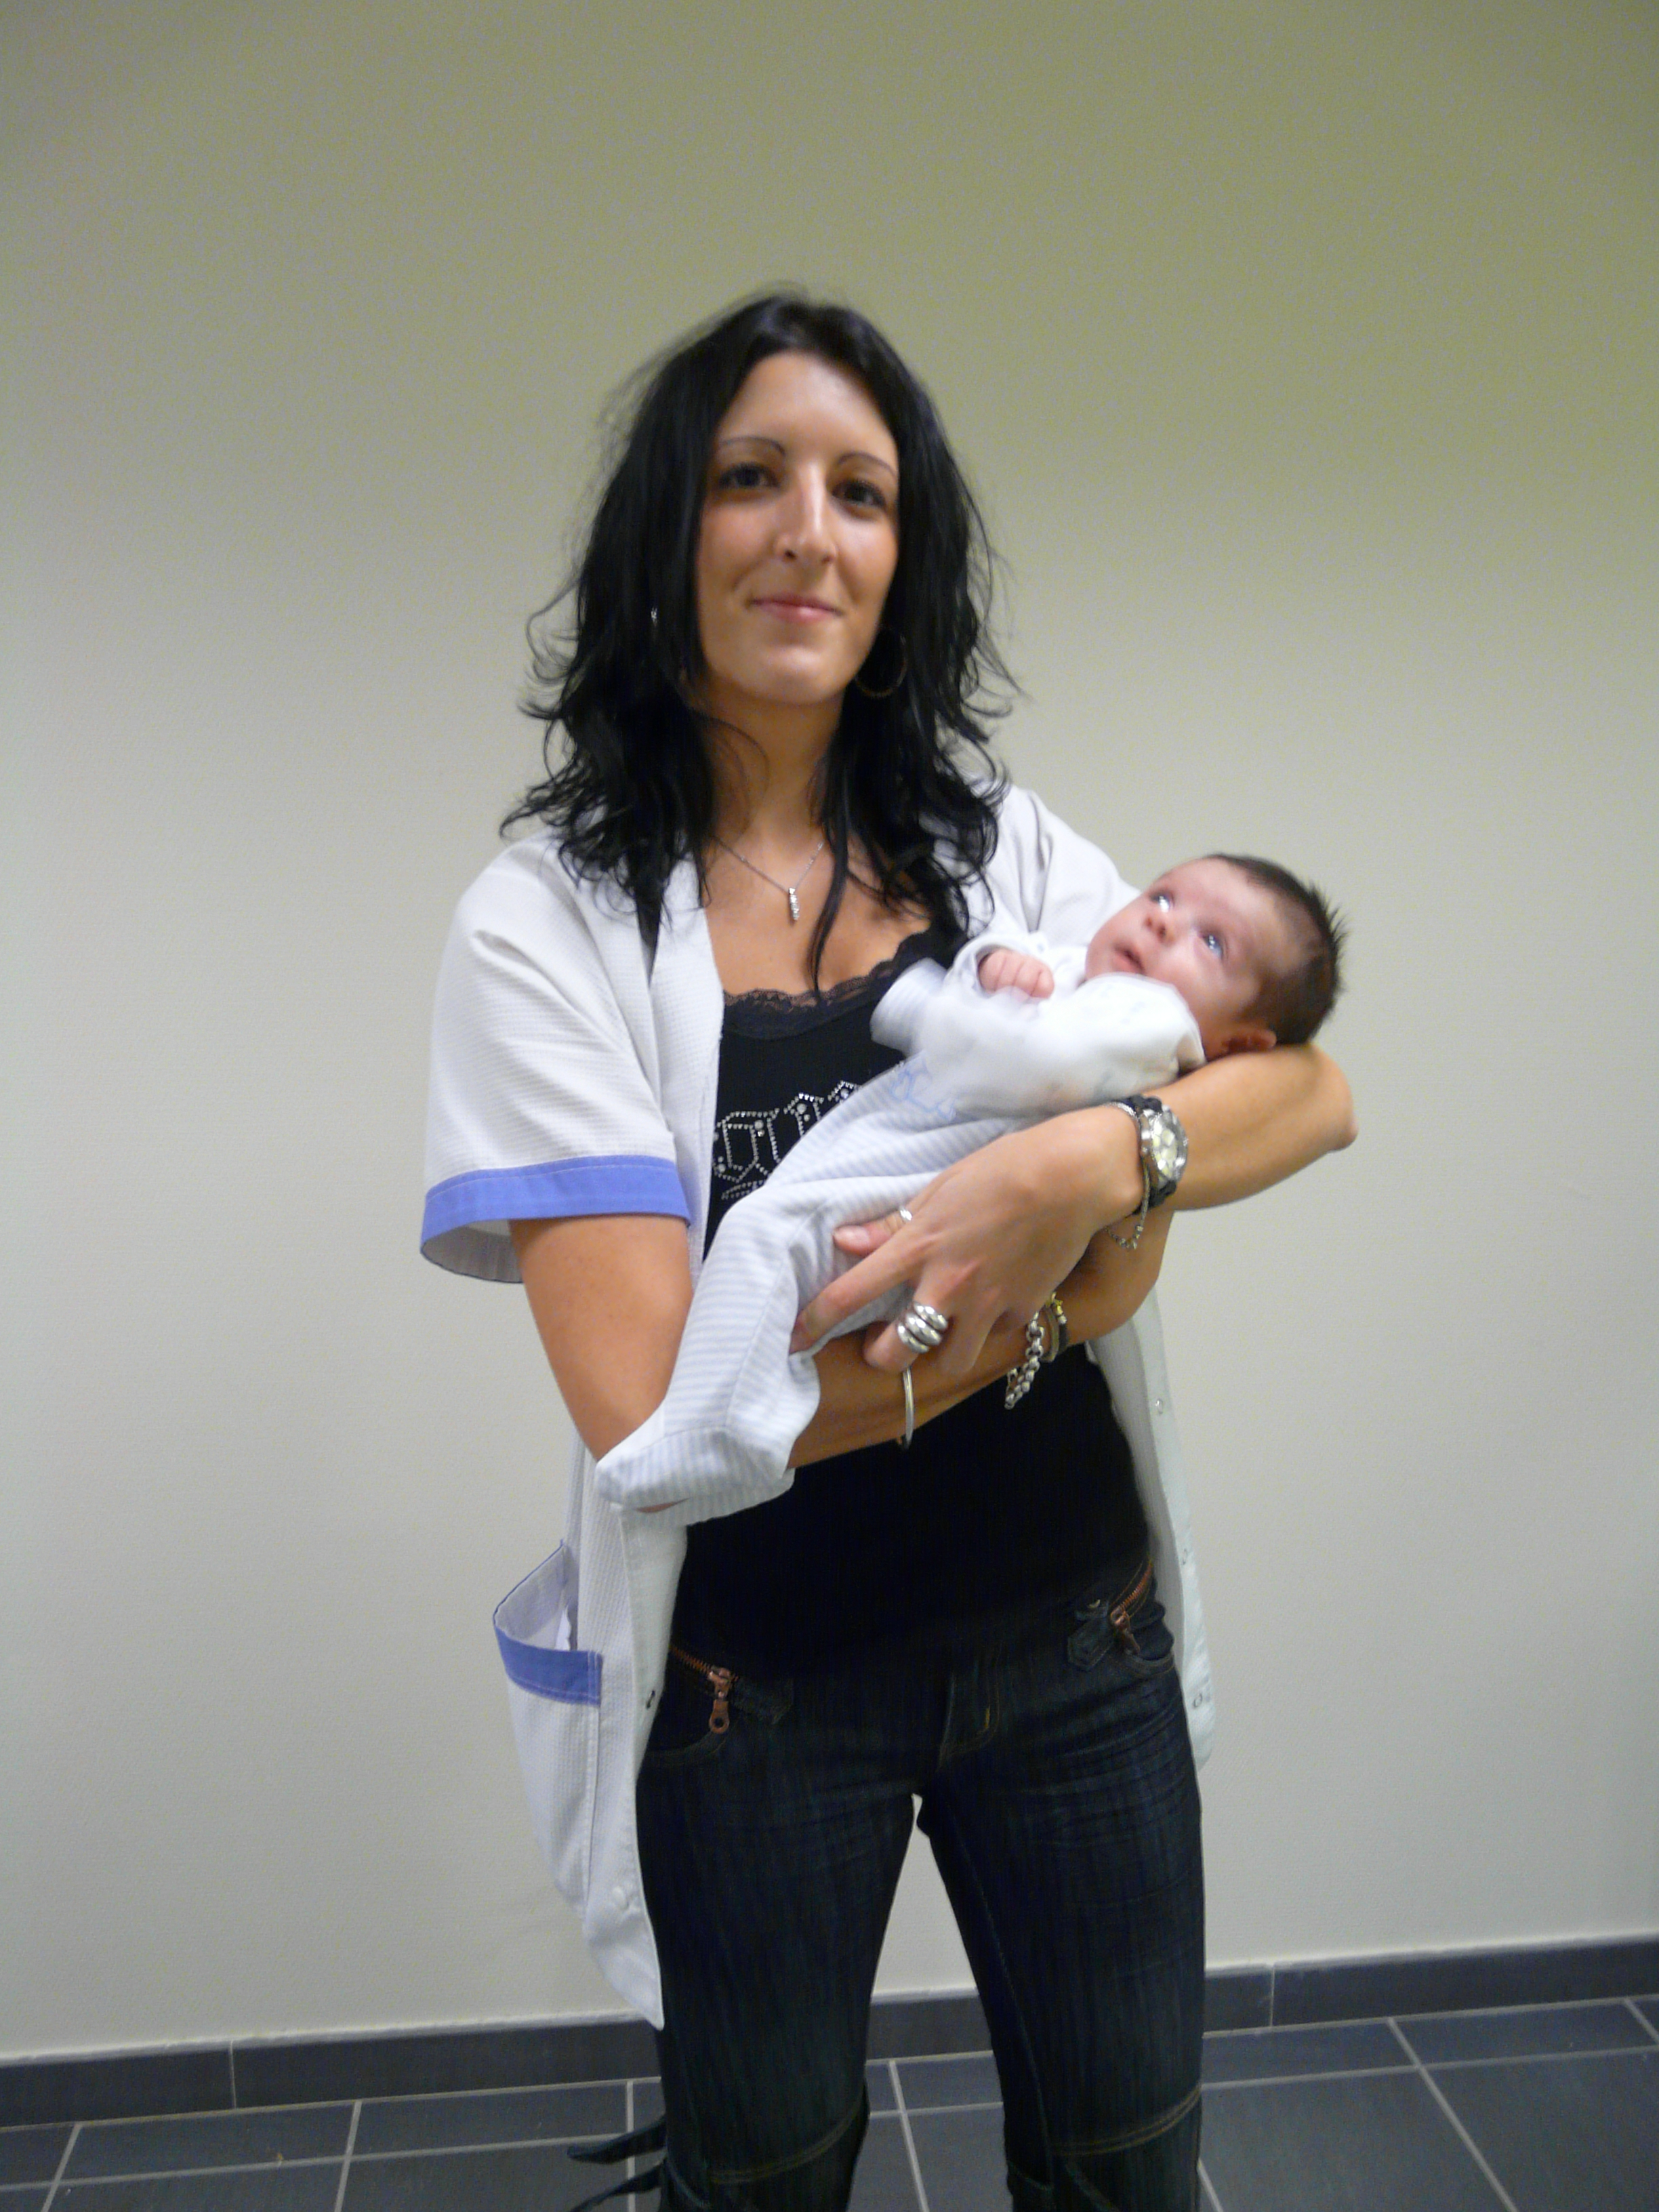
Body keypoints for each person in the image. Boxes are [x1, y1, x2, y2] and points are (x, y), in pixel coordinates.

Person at [421, 293, 1355, 2212]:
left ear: (901, 556)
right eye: (752, 478)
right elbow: (653, 1411)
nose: (809, 532)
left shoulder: (1001, 848)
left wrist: (1083, 1159)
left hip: (1078, 1636)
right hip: (757, 1689)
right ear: (669, 527)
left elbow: (1307, 1088)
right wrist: (1069, 1283)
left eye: (860, 491)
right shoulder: (546, 926)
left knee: (1124, 2165)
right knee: (763, 2175)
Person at [596, 854, 1345, 1511]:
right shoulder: (1086, 969)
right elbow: (1015, 958)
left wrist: (931, 1008)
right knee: (768, 1261)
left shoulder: (1153, 1019)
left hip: (923, 1198)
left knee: (765, 1238)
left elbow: (1044, 1061)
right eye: (1163, 896)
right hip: (899, 1173)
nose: (1161, 922)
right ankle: (725, 1426)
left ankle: (716, 1441)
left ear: (1239, 1044)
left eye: (1212, 942)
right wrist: (994, 961)